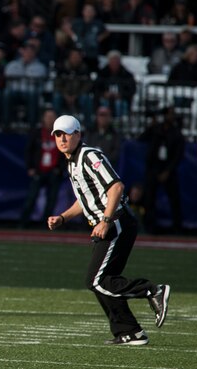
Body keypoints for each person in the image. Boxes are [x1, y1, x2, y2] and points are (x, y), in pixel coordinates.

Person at [47, 115, 170, 346]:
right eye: (57, 134)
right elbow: (84, 200)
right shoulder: (72, 161)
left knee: (96, 280)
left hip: (116, 222)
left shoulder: (89, 155)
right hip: (106, 225)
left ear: (78, 135)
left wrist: (105, 219)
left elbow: (116, 186)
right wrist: (63, 217)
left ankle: (153, 290)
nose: (62, 139)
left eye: (66, 133)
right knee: (102, 280)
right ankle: (130, 331)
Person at [138, 107, 185, 234]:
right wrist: (151, 126)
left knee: (174, 199)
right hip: (154, 168)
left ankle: (177, 227)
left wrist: (168, 171)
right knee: (149, 198)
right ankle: (150, 226)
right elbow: (141, 138)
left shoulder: (176, 133)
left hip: (168, 169)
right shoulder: (156, 129)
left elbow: (178, 155)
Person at [19, 108, 64, 228]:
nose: (49, 119)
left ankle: (46, 225)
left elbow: (66, 152)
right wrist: (30, 167)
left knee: (51, 201)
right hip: (39, 170)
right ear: (43, 118)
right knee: (31, 198)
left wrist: (60, 168)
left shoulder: (61, 134)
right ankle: (23, 223)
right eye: (47, 117)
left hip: (53, 171)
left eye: (52, 117)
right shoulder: (37, 133)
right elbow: (29, 150)